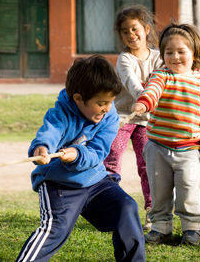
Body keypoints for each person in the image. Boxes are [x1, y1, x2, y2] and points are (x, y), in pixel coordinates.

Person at [16, 55, 145, 262]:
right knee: (55, 229)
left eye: (110, 102)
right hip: (59, 184)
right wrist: (41, 149)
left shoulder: (109, 116)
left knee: (126, 207)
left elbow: (98, 152)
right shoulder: (61, 114)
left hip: (95, 180)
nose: (106, 108)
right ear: (78, 99)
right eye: (101, 103)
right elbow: (49, 133)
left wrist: (77, 154)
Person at [132, 23, 200, 245]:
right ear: (163, 55)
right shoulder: (161, 75)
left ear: (194, 53)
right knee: (159, 191)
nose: (175, 56)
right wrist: (144, 103)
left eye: (181, 51)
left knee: (188, 189)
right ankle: (161, 228)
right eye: (169, 52)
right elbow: (152, 90)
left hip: (188, 149)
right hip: (157, 147)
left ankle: (191, 228)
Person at [104, 5, 161, 231]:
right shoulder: (124, 59)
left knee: (148, 165)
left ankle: (152, 211)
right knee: (112, 157)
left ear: (146, 29)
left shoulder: (158, 57)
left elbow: (162, 81)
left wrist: (151, 100)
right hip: (123, 118)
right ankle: (109, 208)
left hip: (148, 121)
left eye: (135, 29)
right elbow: (132, 84)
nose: (131, 35)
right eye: (125, 31)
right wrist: (147, 97)